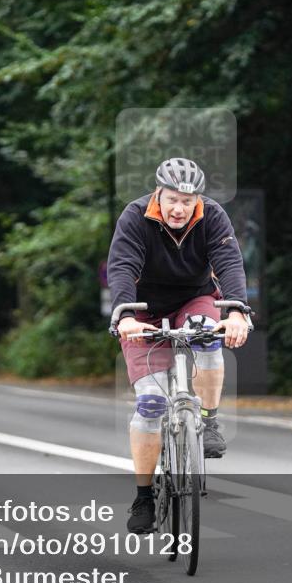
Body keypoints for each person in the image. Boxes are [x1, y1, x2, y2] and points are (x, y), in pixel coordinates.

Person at [107, 158, 251, 533]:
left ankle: (209, 420)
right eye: (172, 199)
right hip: (142, 311)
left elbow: (229, 262)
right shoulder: (136, 216)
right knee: (151, 404)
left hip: (194, 298)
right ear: (159, 193)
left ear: (197, 199)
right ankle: (143, 497)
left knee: (207, 333)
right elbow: (122, 266)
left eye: (187, 201)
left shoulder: (213, 216)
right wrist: (124, 317)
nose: (179, 208)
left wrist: (235, 311)